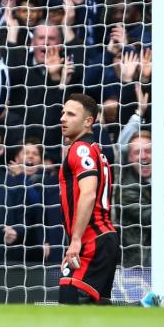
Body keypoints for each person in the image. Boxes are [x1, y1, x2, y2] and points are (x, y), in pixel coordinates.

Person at [57, 93, 118, 305]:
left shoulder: (80, 148)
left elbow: (89, 193)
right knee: (96, 317)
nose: (63, 118)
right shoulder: (95, 150)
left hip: (91, 240)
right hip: (103, 237)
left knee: (69, 309)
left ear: (88, 121)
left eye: (71, 114)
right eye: (63, 112)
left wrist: (75, 241)